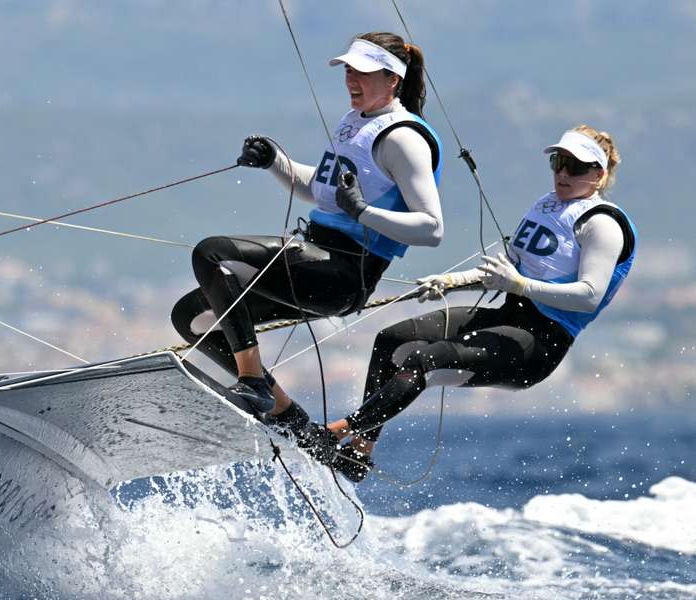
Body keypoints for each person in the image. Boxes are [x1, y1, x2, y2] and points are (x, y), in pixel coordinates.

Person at [309, 125, 637, 483]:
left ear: (599, 175)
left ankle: (332, 433)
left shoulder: (603, 223)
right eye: (559, 162)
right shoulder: (547, 207)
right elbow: (502, 270)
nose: (562, 173)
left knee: (424, 360)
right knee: (392, 339)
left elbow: (589, 295)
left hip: (538, 344)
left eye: (575, 167)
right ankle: (359, 452)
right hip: (507, 315)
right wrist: (450, 282)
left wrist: (522, 285)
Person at [171, 32, 444, 427]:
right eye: (349, 69)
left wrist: (363, 212)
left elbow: (432, 228)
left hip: (344, 274)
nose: (352, 78)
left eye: (363, 71)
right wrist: (274, 161)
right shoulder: (355, 124)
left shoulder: (402, 138)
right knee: (193, 317)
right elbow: (317, 188)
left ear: (393, 79)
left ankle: (252, 381)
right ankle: (290, 419)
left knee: (212, 253)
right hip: (314, 259)